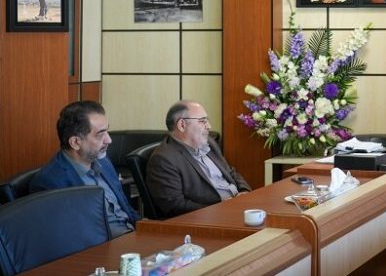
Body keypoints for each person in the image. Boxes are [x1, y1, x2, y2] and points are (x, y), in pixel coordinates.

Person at [30, 101, 139, 239]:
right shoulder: (50, 182)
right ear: (76, 142)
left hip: (133, 237)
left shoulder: (103, 162)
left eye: (107, 131)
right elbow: (66, 238)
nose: (109, 140)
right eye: (100, 134)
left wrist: (146, 230)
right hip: (102, 248)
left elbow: (127, 209)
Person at [146, 100, 251, 218]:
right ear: (182, 125)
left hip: (238, 207)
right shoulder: (163, 159)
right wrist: (220, 208)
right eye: (202, 121)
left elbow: (230, 172)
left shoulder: (209, 143)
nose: (209, 126)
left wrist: (244, 192)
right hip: (210, 218)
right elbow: (174, 206)